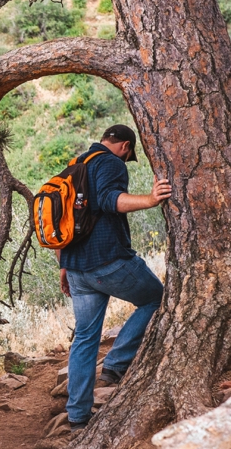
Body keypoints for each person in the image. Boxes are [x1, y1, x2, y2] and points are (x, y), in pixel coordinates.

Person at [57, 124, 171, 431]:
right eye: (128, 153)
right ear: (124, 146)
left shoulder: (76, 164)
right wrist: (150, 199)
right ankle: (116, 365)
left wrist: (64, 266)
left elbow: (61, 219)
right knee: (157, 298)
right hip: (108, 262)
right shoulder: (110, 162)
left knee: (84, 337)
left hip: (76, 268)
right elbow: (111, 199)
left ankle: (78, 417)